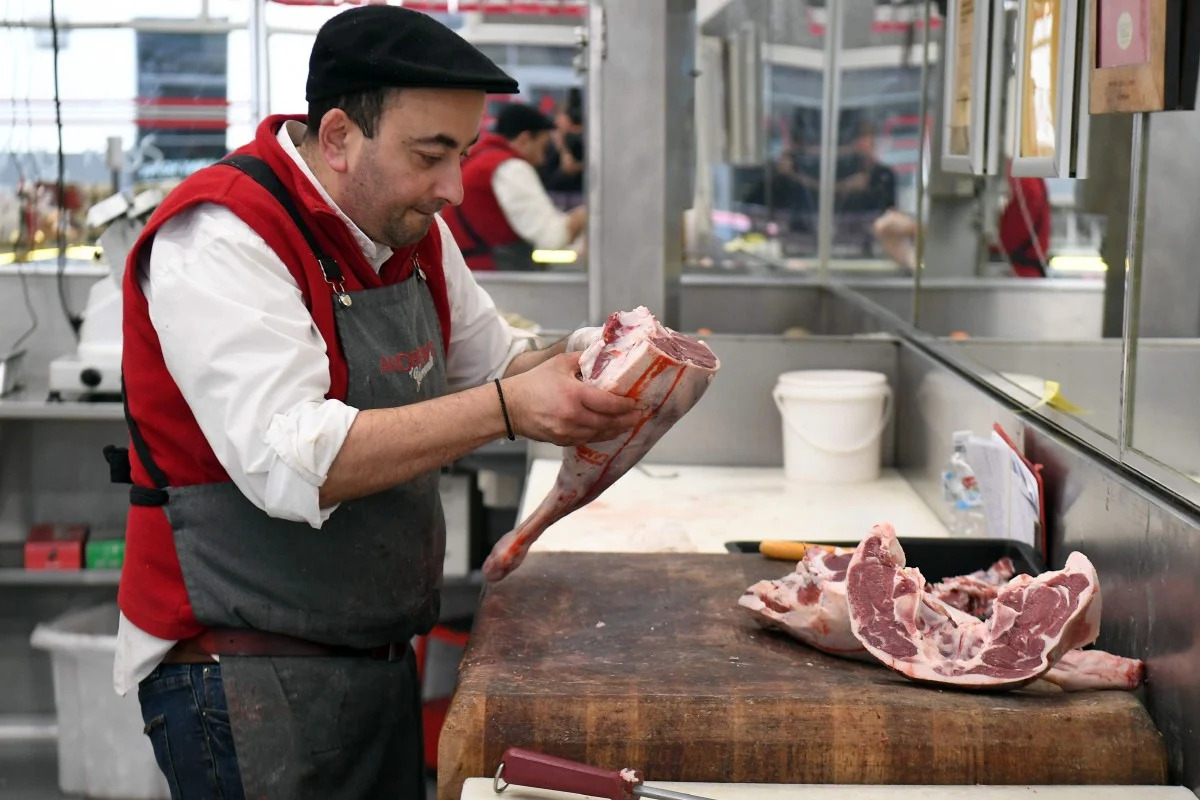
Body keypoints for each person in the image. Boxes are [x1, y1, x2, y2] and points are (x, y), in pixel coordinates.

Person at [108, 7, 641, 799]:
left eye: (462, 155)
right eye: (431, 155)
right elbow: (293, 461)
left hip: (375, 657)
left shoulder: (407, 225)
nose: (454, 188)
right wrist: (508, 408)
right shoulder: (222, 234)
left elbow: (496, 365)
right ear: (336, 138)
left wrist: (616, 361)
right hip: (243, 678)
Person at [442, 102, 587, 271]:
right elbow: (552, 238)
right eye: (543, 148)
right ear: (525, 139)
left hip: (471, 273)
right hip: (496, 281)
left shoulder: (479, 159)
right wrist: (587, 214)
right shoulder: (510, 168)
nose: (543, 160)